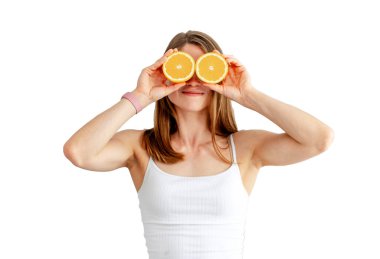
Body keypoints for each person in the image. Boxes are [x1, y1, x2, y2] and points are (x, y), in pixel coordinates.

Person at [63, 30, 334, 259]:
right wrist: (140, 96)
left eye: (204, 69)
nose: (193, 80)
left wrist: (248, 95)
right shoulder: (140, 147)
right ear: (165, 73)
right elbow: (79, 152)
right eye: (183, 68)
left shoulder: (246, 147)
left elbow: (319, 139)